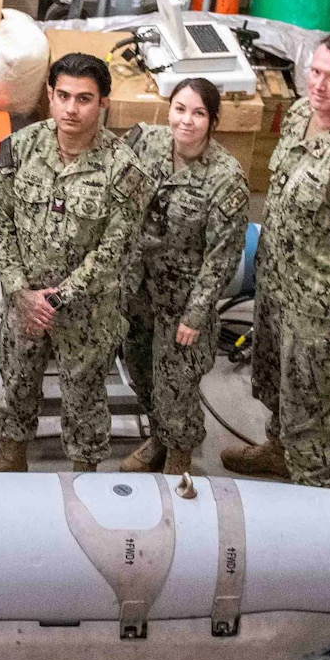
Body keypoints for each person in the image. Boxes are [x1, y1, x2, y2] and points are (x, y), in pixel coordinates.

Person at [221, 32, 330, 488]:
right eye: (314, 71)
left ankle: (311, 487)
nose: (317, 84)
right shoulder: (300, 114)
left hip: (315, 310)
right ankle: (279, 451)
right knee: (277, 385)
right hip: (276, 288)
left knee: (310, 406)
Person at [0, 52, 151, 473]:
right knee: (15, 382)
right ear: (49, 96)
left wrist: (52, 301)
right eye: (63, 95)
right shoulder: (18, 149)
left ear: (103, 103)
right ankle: (11, 456)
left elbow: (116, 250)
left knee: (84, 395)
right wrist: (19, 291)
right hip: (23, 303)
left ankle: (84, 473)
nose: (71, 109)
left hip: (88, 312)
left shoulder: (124, 169)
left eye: (84, 99)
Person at [118, 78, 250, 476]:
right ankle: (159, 437)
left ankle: (180, 455)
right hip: (138, 289)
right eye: (179, 109)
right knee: (141, 371)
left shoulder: (226, 179)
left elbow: (222, 257)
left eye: (198, 113)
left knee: (176, 384)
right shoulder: (147, 141)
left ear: (213, 120)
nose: (186, 121)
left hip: (183, 301)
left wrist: (196, 314)